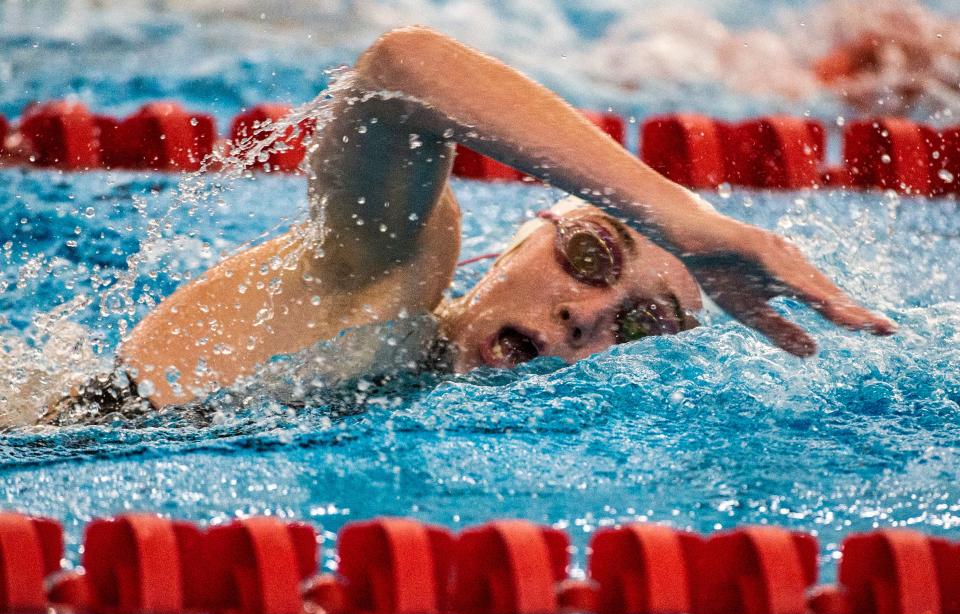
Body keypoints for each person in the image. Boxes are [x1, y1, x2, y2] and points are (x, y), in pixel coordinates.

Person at [46, 26, 893, 419]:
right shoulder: (393, 271)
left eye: (639, 324)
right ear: (514, 240)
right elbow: (401, 66)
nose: (587, 313)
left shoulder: (422, 394)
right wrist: (680, 218)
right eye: (591, 256)